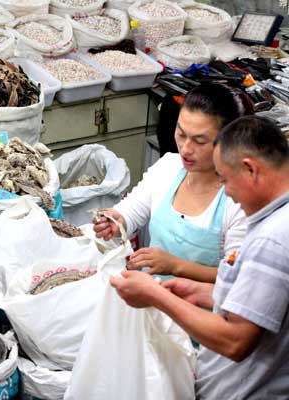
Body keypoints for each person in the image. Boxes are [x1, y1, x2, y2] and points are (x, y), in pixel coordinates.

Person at [110, 116, 289, 399]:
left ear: (251, 169)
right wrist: (203, 292)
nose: (227, 192)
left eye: (226, 180)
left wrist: (157, 297)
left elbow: (236, 341)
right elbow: (265, 302)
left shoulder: (272, 239)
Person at [94, 83, 250, 282]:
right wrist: (115, 221)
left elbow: (237, 278)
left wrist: (176, 266)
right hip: (150, 297)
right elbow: (130, 212)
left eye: (200, 141)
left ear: (228, 141)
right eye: (181, 134)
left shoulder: (238, 201)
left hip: (198, 310)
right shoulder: (168, 168)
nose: (185, 149)